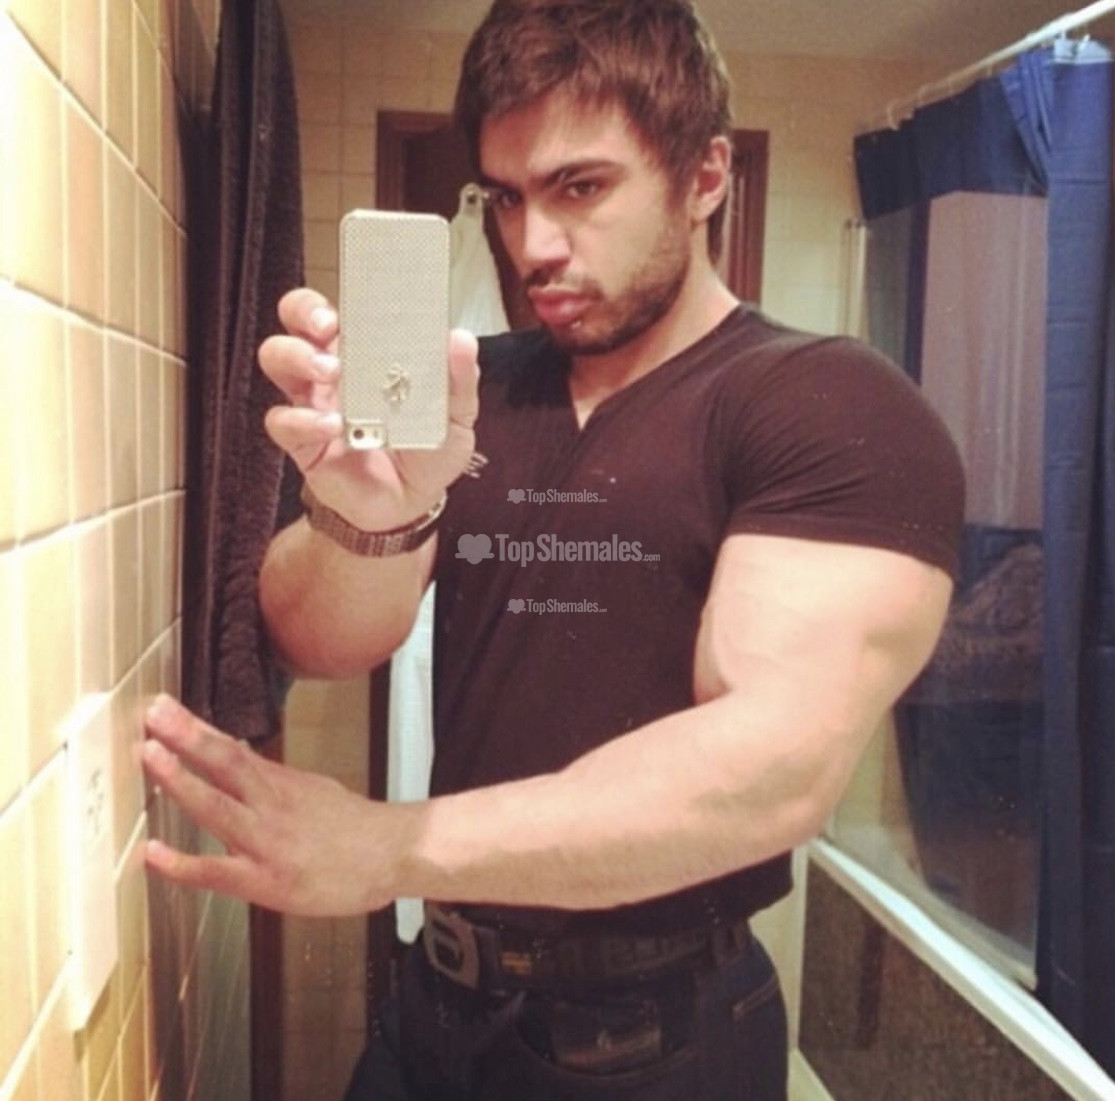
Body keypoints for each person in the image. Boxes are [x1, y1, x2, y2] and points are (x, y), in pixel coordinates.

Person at [140, 0, 965, 1097]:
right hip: (433, 1010)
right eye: (508, 196)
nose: (531, 245)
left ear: (704, 175)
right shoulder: (475, 390)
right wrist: (366, 520)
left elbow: (769, 770)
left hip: (656, 1042)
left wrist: (389, 848)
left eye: (580, 188)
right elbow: (313, 642)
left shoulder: (829, 406)